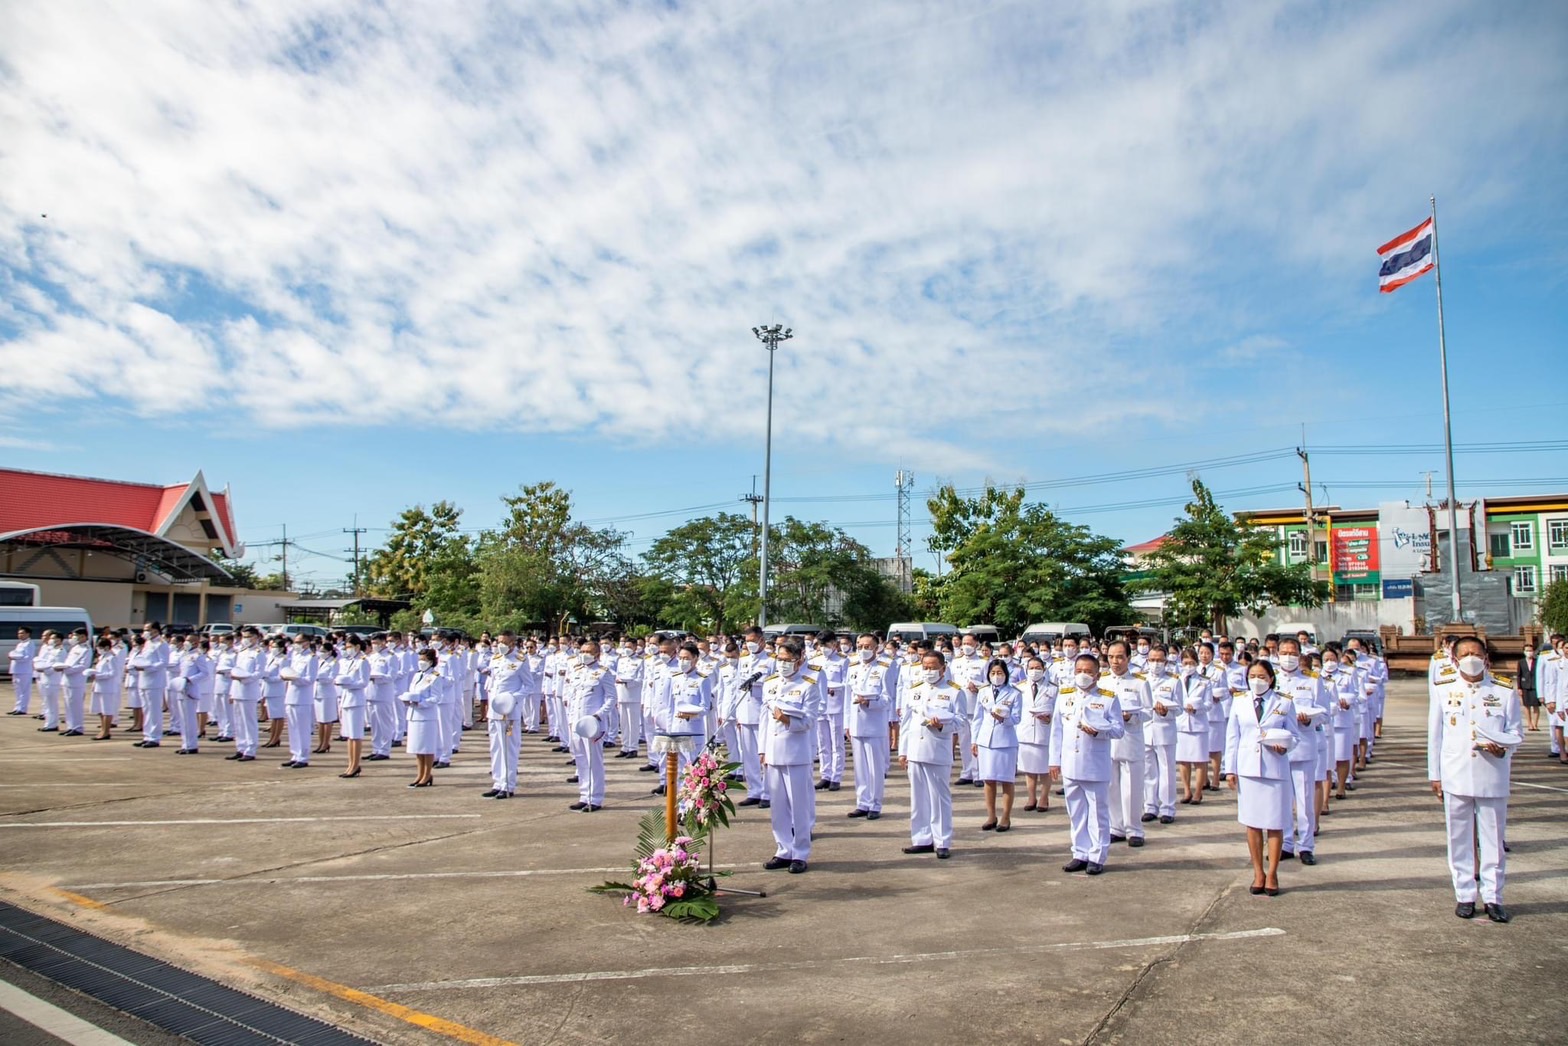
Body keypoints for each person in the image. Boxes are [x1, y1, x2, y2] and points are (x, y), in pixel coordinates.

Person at [1429, 636, 1521, 923]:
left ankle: (1493, 896)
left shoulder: (1504, 691)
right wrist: (1435, 775)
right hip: (1455, 774)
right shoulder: (1444, 688)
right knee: (1459, 838)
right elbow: (1435, 736)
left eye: (1477, 653)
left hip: (1492, 773)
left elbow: (1515, 732)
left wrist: (1503, 748)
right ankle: (1465, 894)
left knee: (1493, 839)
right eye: (1466, 654)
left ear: (1486, 658)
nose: (1472, 658)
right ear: (1455, 660)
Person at [1223, 659, 1302, 897]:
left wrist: (1285, 746)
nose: (1256, 681)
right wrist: (1230, 769)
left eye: (1261, 677)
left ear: (1271, 679)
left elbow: (1295, 735)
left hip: (1275, 768)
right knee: (1253, 822)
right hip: (1248, 769)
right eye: (1252, 676)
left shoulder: (1284, 702)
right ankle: (1258, 872)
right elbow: (1232, 737)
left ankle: (1273, 872)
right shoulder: (1240, 701)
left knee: (1275, 823)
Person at [1049, 652, 1126, 875]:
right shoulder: (1065, 695)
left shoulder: (1108, 698)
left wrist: (1099, 731)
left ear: (1097, 675)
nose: (1083, 675)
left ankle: (1097, 855)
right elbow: (1056, 731)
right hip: (1071, 763)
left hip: (1095, 764)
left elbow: (1118, 729)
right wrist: (1054, 761)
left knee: (1097, 813)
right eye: (1079, 671)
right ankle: (1080, 852)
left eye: (1088, 671)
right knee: (1076, 812)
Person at [760, 637, 823, 873]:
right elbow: (764, 720)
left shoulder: (808, 685)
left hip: (797, 753)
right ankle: (783, 850)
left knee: (799, 805)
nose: (783, 664)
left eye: (788, 660)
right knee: (778, 806)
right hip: (773, 751)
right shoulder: (770, 683)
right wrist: (762, 749)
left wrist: (786, 719)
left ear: (798, 661)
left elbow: (809, 721)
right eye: (780, 659)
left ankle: (800, 853)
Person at [900, 650, 960, 858]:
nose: (928, 671)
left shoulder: (953, 691)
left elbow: (961, 721)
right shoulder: (915, 689)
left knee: (939, 798)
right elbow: (906, 722)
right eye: (925, 667)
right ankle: (921, 838)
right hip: (915, 750)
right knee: (918, 798)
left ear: (943, 668)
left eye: (933, 667)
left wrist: (942, 725)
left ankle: (942, 841)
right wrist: (903, 751)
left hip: (937, 749)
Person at [1101, 640, 1152, 848]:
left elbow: (1149, 711)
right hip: (1107, 742)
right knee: (1111, 786)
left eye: (1120, 657)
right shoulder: (1102, 681)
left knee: (1132, 788)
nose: (1115, 661)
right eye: (1111, 657)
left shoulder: (1139, 683)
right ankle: (1116, 827)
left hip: (1131, 740)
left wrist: (1132, 717)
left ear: (1128, 658)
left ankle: (1134, 829)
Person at [844, 632, 894, 821]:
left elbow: (888, 698)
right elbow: (847, 699)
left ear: (876, 648)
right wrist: (847, 724)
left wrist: (870, 703)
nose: (863, 650)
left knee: (875, 767)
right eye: (860, 646)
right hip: (856, 724)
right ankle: (862, 802)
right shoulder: (853, 667)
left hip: (874, 724)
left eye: (867, 647)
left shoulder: (884, 668)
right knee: (860, 768)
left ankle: (875, 804)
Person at [972, 657, 1022, 831]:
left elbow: (1017, 718)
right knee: (989, 779)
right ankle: (991, 816)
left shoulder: (1014, 693)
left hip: (1005, 741)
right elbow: (977, 718)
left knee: (1006, 780)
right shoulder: (983, 692)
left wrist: (1004, 718)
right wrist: (974, 740)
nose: (996, 676)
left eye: (999, 673)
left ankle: (1005, 818)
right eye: (993, 673)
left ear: (1006, 674)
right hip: (986, 740)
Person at [566, 638, 614, 812]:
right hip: (577, 722)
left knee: (594, 761)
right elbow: (572, 697)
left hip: (593, 723)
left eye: (588, 652)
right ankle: (584, 795)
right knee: (581, 760)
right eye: (583, 651)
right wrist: (571, 718)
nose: (584, 655)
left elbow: (611, 698)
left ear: (597, 655)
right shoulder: (576, 671)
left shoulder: (603, 672)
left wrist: (599, 715)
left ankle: (595, 798)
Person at [1142, 644, 1180, 825]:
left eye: (1159, 660)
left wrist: (1166, 712)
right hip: (1145, 729)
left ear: (1166, 661)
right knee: (1148, 771)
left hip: (1165, 729)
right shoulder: (1141, 679)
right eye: (1152, 660)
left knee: (1167, 771)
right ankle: (1150, 806)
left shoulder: (1173, 680)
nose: (1155, 663)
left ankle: (1167, 808)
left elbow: (1179, 708)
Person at [1018, 656, 1057, 812]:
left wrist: (1049, 718)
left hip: (1044, 732)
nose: (1034, 671)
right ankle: (1031, 797)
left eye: (1038, 668)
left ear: (1044, 669)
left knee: (1045, 769)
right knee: (1029, 769)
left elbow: (1059, 712)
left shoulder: (1053, 688)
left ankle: (1044, 798)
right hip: (1026, 732)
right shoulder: (1019, 687)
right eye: (1031, 668)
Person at [812, 630, 849, 792]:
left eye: (826, 645)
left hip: (836, 705)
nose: (823, 648)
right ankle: (825, 775)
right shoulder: (815, 660)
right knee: (823, 743)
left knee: (837, 744)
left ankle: (836, 777)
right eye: (821, 645)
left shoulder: (843, 660)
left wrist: (833, 687)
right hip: (820, 706)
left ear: (834, 644)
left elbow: (847, 683)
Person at [401, 648, 443, 787]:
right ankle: (419, 774)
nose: (421, 662)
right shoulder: (417, 675)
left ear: (431, 661)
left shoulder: (435, 676)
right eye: (419, 659)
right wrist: (408, 700)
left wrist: (421, 703)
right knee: (417, 748)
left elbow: (436, 697)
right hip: (414, 714)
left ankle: (427, 775)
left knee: (427, 747)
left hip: (426, 715)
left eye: (424, 660)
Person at [278, 635, 318, 769]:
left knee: (302, 729)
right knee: (293, 728)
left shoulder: (311, 658)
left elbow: (310, 679)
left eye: (299, 642)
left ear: (307, 643)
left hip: (303, 697)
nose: (296, 644)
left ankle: (303, 757)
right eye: (295, 642)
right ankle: (295, 754)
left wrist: (295, 679)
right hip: (291, 696)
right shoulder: (295, 656)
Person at [334, 636, 370, 779]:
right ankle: (350, 764)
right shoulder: (347, 661)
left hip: (356, 700)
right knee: (349, 735)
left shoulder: (363, 661)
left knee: (356, 735)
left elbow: (364, 682)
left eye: (350, 646)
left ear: (357, 646)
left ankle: (355, 765)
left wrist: (350, 684)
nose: (348, 649)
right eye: (346, 647)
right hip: (346, 699)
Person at [130, 625, 170, 748]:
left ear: (155, 631)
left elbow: (163, 662)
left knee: (154, 711)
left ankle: (155, 737)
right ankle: (147, 735)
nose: (145, 632)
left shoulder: (161, 644)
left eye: (148, 630)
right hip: (143, 680)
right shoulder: (147, 643)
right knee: (146, 710)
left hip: (154, 681)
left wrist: (148, 667)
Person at [85, 636, 122, 740]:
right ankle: (103, 729)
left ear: (107, 647)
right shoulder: (102, 657)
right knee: (100, 710)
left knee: (107, 710)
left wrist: (98, 675)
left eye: (100, 647)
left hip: (107, 687)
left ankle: (106, 732)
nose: (98, 649)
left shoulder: (112, 658)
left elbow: (113, 673)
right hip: (99, 686)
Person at [7, 627, 36, 716]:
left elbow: (28, 657)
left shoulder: (29, 644)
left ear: (28, 634)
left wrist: (16, 658)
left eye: (22, 633)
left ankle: (23, 708)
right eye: (19, 633)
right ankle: (17, 707)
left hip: (24, 670)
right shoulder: (20, 644)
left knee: (24, 690)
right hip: (16, 669)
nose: (20, 635)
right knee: (18, 690)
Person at [1517, 643, 1540, 732]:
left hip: (1535, 686)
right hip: (1525, 686)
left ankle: (1535, 724)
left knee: (1536, 705)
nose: (1529, 652)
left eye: (1530, 650)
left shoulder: (1537, 661)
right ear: (1524, 651)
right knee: (1526, 705)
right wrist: (1519, 687)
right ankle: (1529, 724)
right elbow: (1519, 675)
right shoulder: (1521, 662)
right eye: (1527, 650)